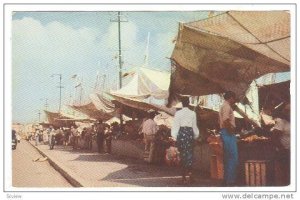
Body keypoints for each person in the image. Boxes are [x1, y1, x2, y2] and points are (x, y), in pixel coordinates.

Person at [171, 97, 199, 184]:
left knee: (182, 155)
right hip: (190, 134)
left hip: (182, 134)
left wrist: (174, 137)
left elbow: (175, 126)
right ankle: (190, 176)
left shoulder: (178, 113)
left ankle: (183, 178)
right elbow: (194, 126)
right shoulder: (193, 113)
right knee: (190, 155)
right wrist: (196, 136)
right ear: (189, 103)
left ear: (182, 104)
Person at [219, 91, 238, 186]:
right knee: (233, 157)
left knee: (227, 158)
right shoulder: (227, 106)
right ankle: (230, 181)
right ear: (231, 97)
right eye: (234, 98)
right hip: (228, 132)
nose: (234, 101)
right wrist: (231, 131)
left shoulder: (224, 106)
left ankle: (226, 180)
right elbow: (226, 120)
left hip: (225, 132)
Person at [271, 105, 290, 186]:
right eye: (287, 111)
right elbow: (274, 138)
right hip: (284, 151)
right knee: (283, 174)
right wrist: (282, 149)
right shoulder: (281, 122)